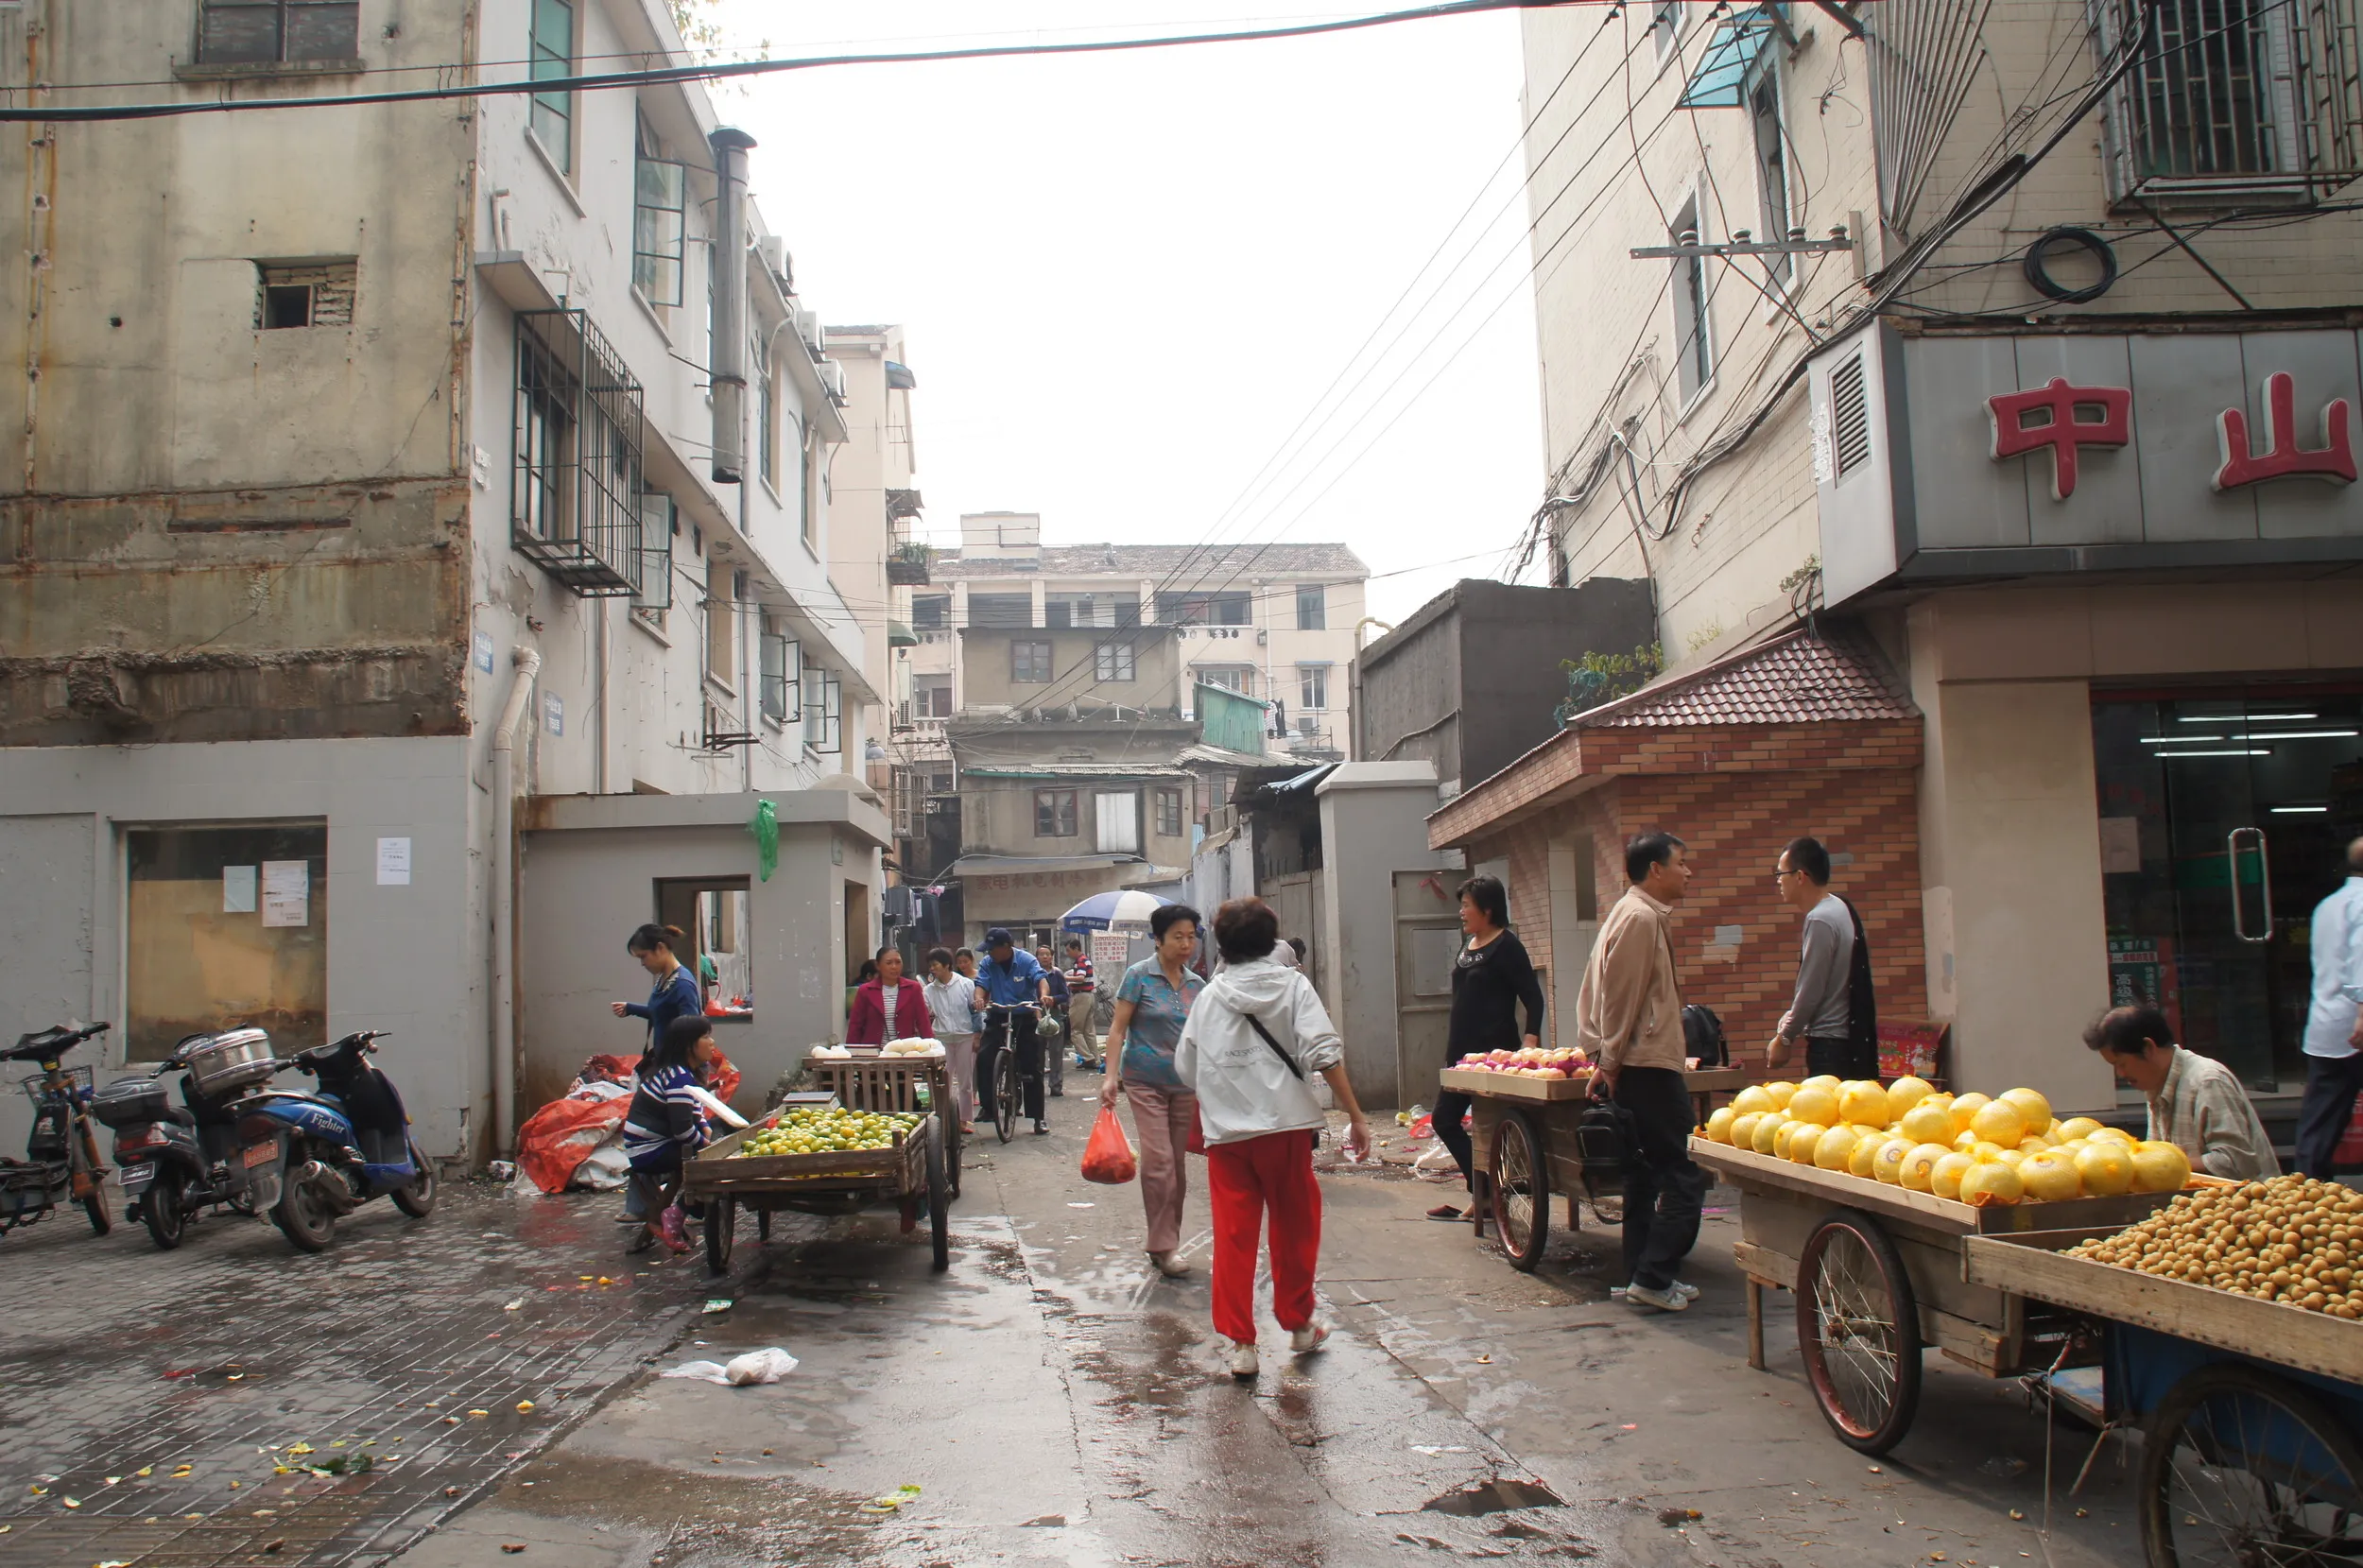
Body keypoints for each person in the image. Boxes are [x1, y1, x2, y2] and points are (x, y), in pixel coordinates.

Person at [1178, 897, 1372, 1383]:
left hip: (1228, 1136)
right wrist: (1356, 1116)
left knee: (1234, 1235)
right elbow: (1324, 1053)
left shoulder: (1210, 996)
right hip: (1286, 1130)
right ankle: (1299, 1325)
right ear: (1272, 940)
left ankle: (1243, 1344)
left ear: (1221, 944)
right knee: (1294, 1229)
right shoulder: (1294, 986)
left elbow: (1185, 1067)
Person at [1579, 831, 1704, 1315]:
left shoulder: (1634, 912)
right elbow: (1621, 997)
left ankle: (1640, 1274)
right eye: (1681, 862)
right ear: (1656, 869)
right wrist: (1608, 1062)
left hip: (1638, 1060)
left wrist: (1606, 1059)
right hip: (1646, 1064)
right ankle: (1653, 1276)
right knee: (1683, 1174)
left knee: (1645, 1175)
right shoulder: (1639, 916)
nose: (1687, 871)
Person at [1426, 875, 1545, 1222]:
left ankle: (1486, 1196)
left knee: (1489, 1128)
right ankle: (1484, 1192)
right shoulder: (1469, 946)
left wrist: (1530, 1041)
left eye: (1467, 906)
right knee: (1445, 1120)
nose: (1461, 912)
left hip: (1495, 1056)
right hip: (1461, 1054)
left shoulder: (1507, 946)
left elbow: (1533, 997)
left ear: (1487, 909)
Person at [1101, 904, 1208, 1280]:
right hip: (1144, 1081)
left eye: (1191, 936)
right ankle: (1163, 1245)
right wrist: (1110, 1077)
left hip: (1184, 1085)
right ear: (1158, 940)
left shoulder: (1198, 985)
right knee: (1159, 1160)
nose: (1186, 944)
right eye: (1178, 936)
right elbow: (1117, 1030)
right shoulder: (1137, 977)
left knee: (1175, 1166)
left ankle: (1167, 1241)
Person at [2082, 1004, 2279, 1180]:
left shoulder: (2207, 1081)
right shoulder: (2155, 1084)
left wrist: (2155, 1162)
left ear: (2148, 1048)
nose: (2120, 1074)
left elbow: (2237, 1163)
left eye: (2122, 1064)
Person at [1767, 836, 1877, 1078]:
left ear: (1799, 876)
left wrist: (1784, 1038)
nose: (1778, 881)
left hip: (1830, 1047)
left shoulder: (1820, 919)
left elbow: (1811, 990)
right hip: (1849, 1041)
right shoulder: (1840, 907)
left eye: (1780, 873)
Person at [622, 1014, 723, 1254]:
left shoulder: (679, 1074)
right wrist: (708, 1145)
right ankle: (675, 1213)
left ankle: (676, 1212)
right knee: (716, 1163)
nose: (712, 1043)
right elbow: (683, 1131)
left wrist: (705, 1129)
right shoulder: (678, 1079)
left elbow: (692, 1115)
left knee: (722, 1132)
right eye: (706, 1037)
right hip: (649, 1150)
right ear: (689, 1044)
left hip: (660, 1144)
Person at [2297, 836, 2363, 1179]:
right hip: (2355, 1022)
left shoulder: (2329, 904)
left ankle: (2305, 1191)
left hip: (2326, 1023)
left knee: (2320, 1120)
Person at [976, 928, 1054, 1135]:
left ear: (1006, 947)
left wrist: (1044, 996)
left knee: (1032, 1066)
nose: (990, 953)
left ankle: (1038, 1118)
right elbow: (981, 984)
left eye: (993, 949)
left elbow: (1040, 979)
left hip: (1024, 1013)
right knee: (984, 1058)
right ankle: (988, 1106)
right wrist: (978, 998)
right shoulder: (987, 963)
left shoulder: (1027, 960)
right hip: (999, 1013)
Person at [611, 924, 703, 1066]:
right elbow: (663, 1013)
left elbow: (692, 1030)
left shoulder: (682, 984)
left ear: (660, 948)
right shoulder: (663, 978)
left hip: (679, 1069)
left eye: (643, 956)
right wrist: (630, 1008)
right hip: (665, 1064)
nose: (642, 963)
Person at [923, 948, 981, 1132]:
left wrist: (977, 1035)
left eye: (935, 965)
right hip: (941, 1039)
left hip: (965, 1036)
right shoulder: (929, 990)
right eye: (930, 966)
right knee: (943, 1080)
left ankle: (964, 1120)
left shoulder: (965, 984)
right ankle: (943, 1119)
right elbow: (926, 1013)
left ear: (947, 965)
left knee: (965, 1082)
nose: (932, 969)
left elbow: (975, 1012)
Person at [847, 947, 931, 1047]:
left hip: (905, 1052)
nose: (894, 967)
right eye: (889, 963)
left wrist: (931, 1046)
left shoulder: (913, 988)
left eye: (898, 962)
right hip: (874, 1053)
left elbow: (923, 1021)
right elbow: (856, 1025)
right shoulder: (865, 991)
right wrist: (852, 1051)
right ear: (878, 966)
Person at [1036, 943, 1073, 1097]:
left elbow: (1065, 995)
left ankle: (1056, 1086)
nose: (1045, 957)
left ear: (1052, 956)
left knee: (1056, 1053)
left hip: (1056, 1017)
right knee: (1037, 1054)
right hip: (1037, 1016)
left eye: (1047, 954)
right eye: (1041, 954)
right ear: (1036, 957)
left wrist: (1053, 999)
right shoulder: (1033, 974)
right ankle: (1036, 1086)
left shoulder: (1057, 974)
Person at [1062, 937, 1102, 1071]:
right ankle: (1096, 1059)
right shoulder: (1085, 960)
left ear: (1076, 949)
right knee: (1089, 1031)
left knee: (1075, 1031)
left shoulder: (1081, 961)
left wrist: (1064, 977)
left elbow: (1080, 978)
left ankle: (1088, 1058)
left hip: (1080, 996)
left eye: (1069, 950)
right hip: (1089, 996)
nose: (1067, 953)